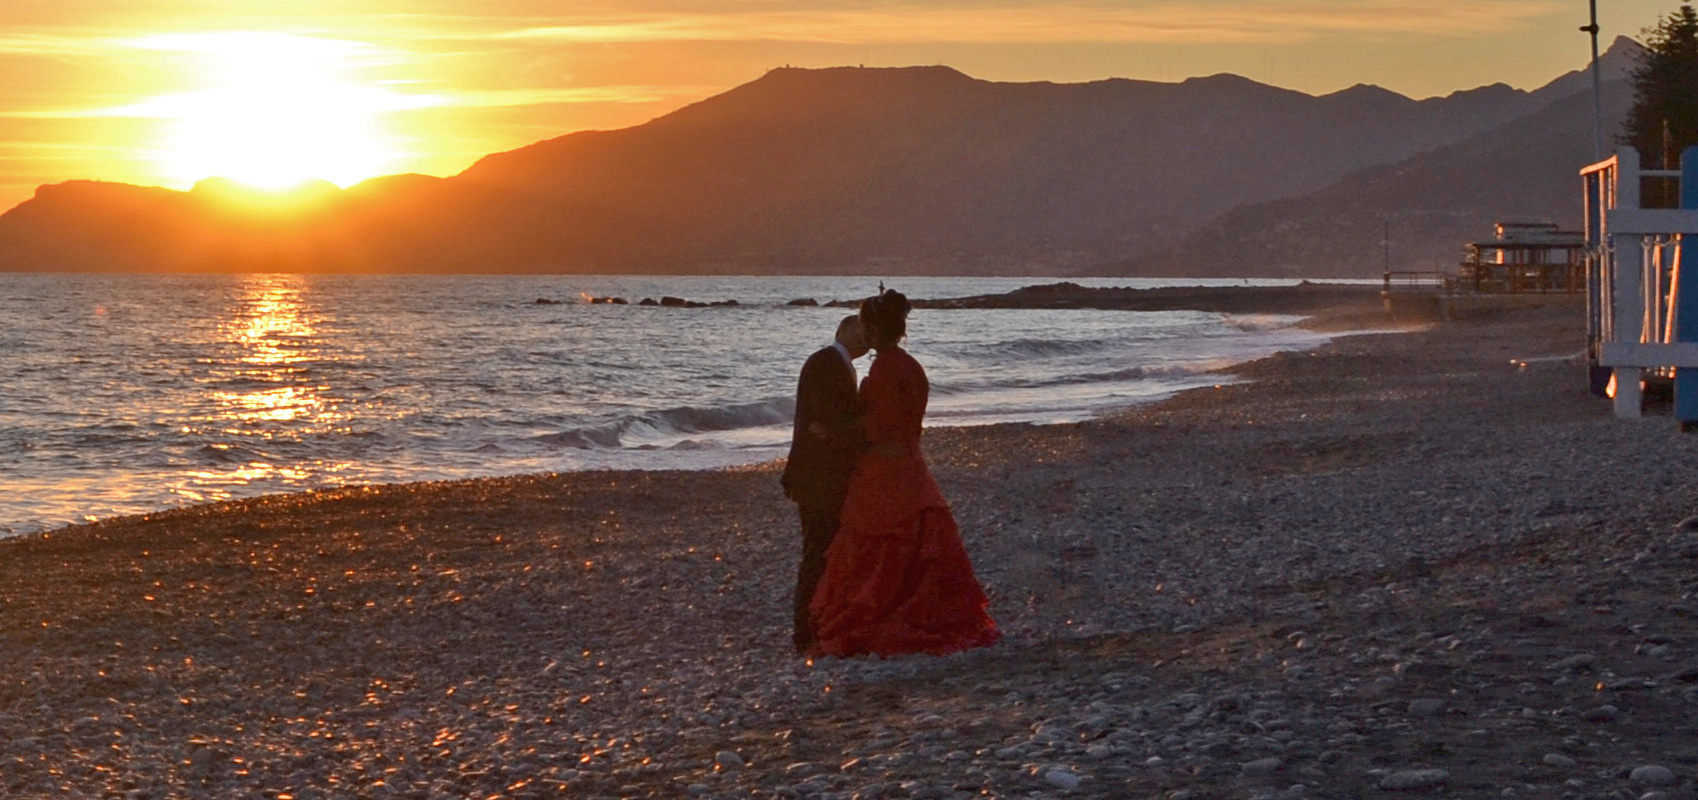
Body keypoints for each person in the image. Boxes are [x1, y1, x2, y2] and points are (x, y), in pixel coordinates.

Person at [808, 289, 1000, 657]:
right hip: (912, 466)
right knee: (917, 547)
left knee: (877, 545)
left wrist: (832, 432)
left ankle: (883, 621)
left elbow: (876, 428)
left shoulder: (883, 370)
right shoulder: (911, 366)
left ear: (872, 329)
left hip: (883, 470)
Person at [781, 315, 869, 653]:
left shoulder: (839, 364)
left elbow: (830, 420)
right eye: (862, 332)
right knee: (816, 552)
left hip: (827, 473)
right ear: (844, 330)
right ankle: (804, 632)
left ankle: (822, 622)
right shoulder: (825, 362)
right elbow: (828, 416)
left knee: (826, 550)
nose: (867, 340)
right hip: (817, 475)